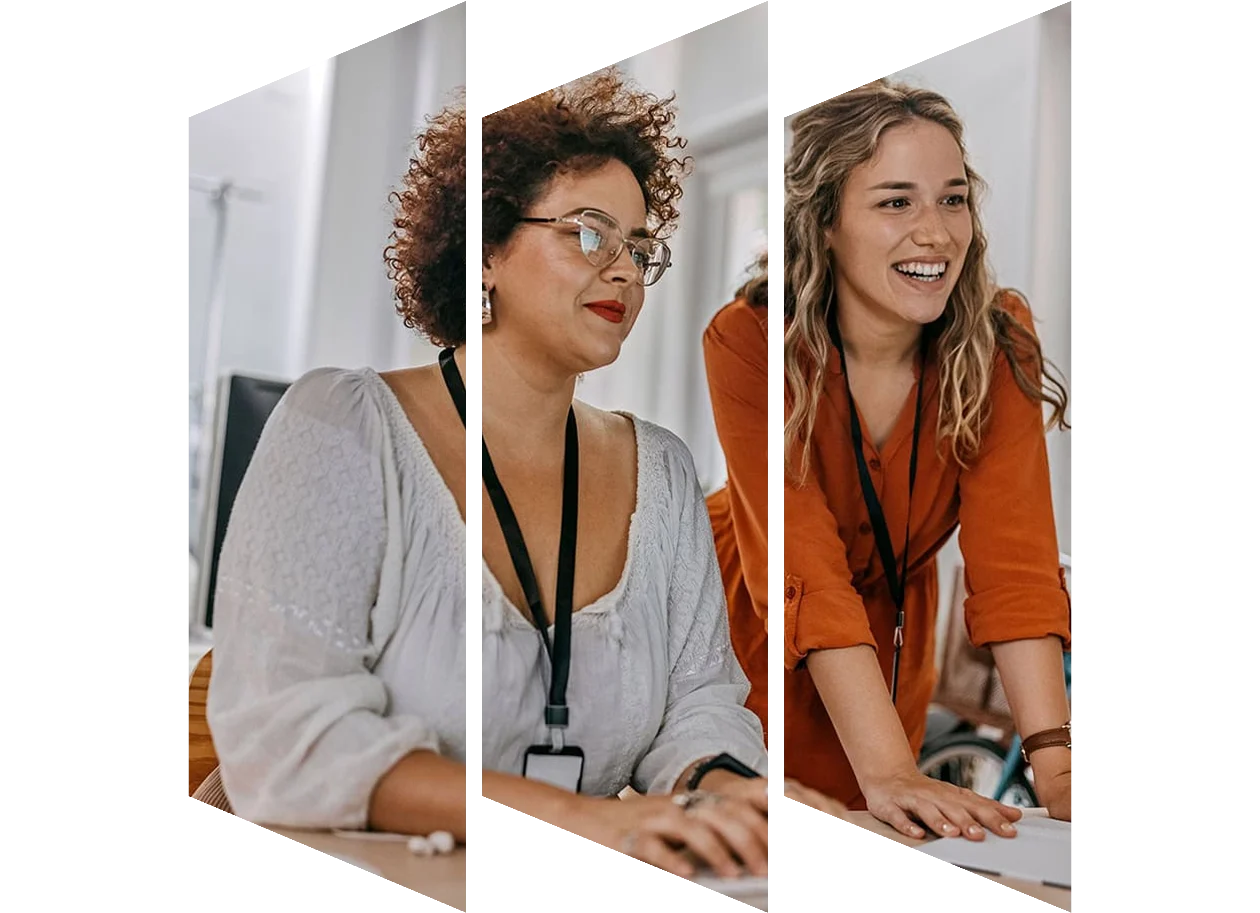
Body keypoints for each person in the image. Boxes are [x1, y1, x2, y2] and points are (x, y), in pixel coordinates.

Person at [704, 78, 1072, 842]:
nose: (935, 233)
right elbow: (801, 561)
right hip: (753, 630)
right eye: (896, 201)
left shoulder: (997, 341)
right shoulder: (748, 341)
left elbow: (1017, 563)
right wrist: (889, 768)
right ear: (826, 220)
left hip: (893, 645)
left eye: (953, 198)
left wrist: (1055, 762)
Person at [472, 70, 769, 881]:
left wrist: (719, 785)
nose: (627, 272)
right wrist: (580, 813)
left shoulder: (664, 472)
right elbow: (307, 736)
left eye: (641, 249)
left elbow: (702, 694)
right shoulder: (354, 427)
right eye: (590, 234)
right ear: (486, 246)